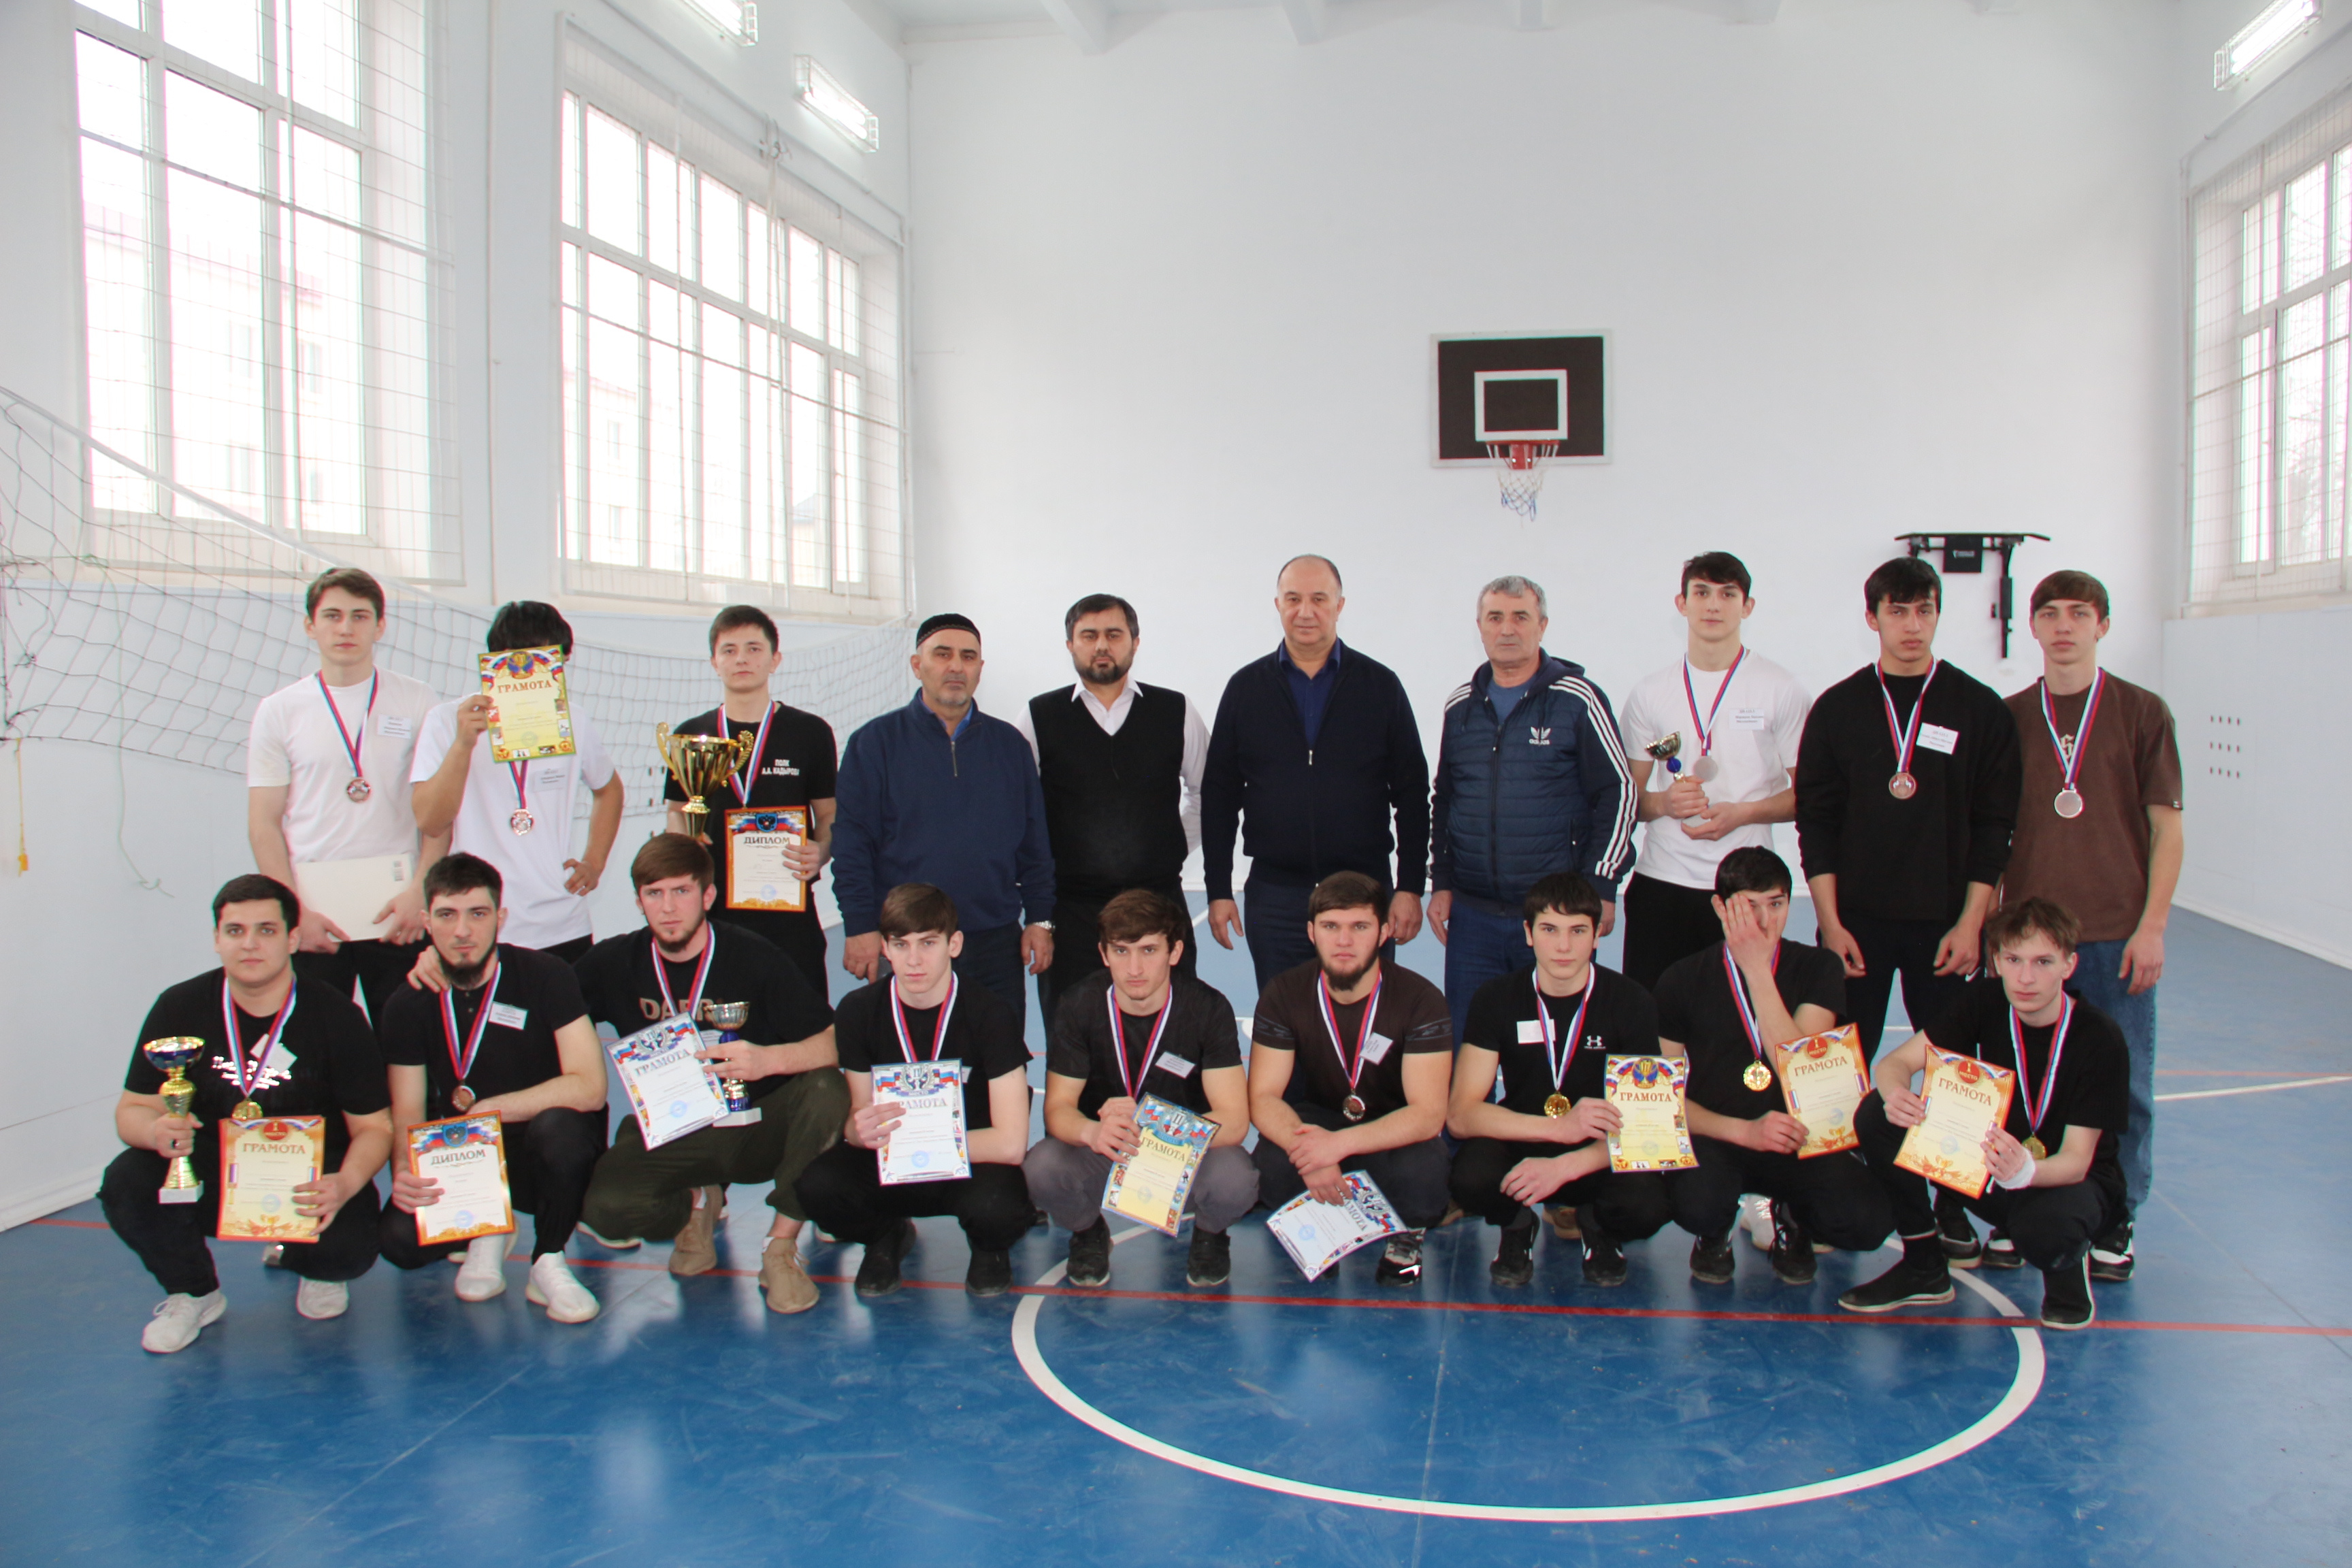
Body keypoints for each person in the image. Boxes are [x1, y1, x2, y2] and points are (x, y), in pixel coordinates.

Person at [1794, 556, 2023, 1261]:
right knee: (1840, 1065)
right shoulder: (1838, 708)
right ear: (1873, 618)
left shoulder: (1978, 708)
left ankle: (1950, 1202)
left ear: (1937, 616)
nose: (1912, 624)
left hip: (1945, 928)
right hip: (1856, 926)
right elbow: (1816, 823)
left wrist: (1973, 922)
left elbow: (1995, 828)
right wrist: (1831, 923)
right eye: (1897, 610)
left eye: (1924, 609)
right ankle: (1836, 1195)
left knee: (1953, 1066)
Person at [100, 875, 392, 1353]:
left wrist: (345, 1184)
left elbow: (375, 1128)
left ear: (293, 939)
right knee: (127, 1181)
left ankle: (313, 1265)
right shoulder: (179, 1007)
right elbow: (131, 1111)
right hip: (214, 1172)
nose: (250, 944)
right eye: (235, 931)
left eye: (266, 930)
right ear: (217, 939)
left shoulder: (337, 1015)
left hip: (310, 1179)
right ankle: (195, 1293)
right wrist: (155, 1131)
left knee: (349, 1248)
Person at [572, 834, 847, 1316]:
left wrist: (767, 1061)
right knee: (606, 1210)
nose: (668, 908)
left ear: (708, 895)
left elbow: (834, 1042)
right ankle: (698, 1202)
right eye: (654, 894)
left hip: (757, 1126)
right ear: (639, 901)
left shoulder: (753, 956)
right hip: (676, 1128)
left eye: (681, 891)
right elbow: (544, 999)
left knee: (828, 1088)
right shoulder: (614, 963)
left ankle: (780, 1248)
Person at [1997, 571, 2182, 1282]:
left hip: (2114, 936)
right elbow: (1993, 834)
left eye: (2080, 613)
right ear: (2034, 627)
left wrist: (2153, 926)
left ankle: (2117, 1216)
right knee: (2023, 1082)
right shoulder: (2011, 717)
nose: (2064, 626)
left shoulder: (2141, 712)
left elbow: (2168, 831)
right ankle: (2014, 1200)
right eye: (2050, 613)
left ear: (2103, 625)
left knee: (2124, 1084)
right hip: (2030, 944)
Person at [1839, 898, 2128, 1332]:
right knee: (1878, 1115)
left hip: (2067, 1180)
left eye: (2043, 962)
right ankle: (1924, 1267)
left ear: (2069, 965)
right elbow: (1896, 1063)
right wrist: (1896, 1092)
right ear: (1997, 961)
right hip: (1994, 1161)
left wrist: (2025, 1171)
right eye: (2013, 960)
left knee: (2047, 1232)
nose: (2025, 978)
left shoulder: (2098, 1037)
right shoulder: (1986, 1001)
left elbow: (2076, 1161)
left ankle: (2067, 1274)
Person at [375, 853, 608, 1324]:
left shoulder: (546, 975)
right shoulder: (407, 1003)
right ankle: (489, 1230)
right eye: (447, 915)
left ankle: (548, 1259)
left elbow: (590, 1087)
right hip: (463, 1158)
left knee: (561, 1128)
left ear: (500, 918)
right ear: (427, 922)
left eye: (477, 914)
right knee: (399, 1241)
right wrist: (403, 1170)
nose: (462, 931)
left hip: (542, 1152)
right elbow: (408, 1112)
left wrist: (491, 1110)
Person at [1654, 848, 1891, 1284]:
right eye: (1749, 906)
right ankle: (1714, 1231)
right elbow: (1662, 1099)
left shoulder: (1818, 967)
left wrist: (1757, 972)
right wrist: (1744, 1131)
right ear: (1720, 907)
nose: (1765, 922)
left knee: (1866, 1221)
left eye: (1776, 904)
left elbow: (1799, 1072)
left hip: (1799, 1137)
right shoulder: (1681, 979)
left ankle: (1793, 1218)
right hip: (1719, 1137)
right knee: (1693, 1202)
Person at [796, 884, 1035, 1298]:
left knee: (1001, 1207)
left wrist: (929, 1142)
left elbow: (1012, 1145)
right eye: (901, 944)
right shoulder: (858, 1011)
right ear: (885, 949)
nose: (914, 960)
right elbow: (857, 1119)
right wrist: (858, 1131)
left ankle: (988, 1249)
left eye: (928, 943)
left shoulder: (991, 1013)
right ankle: (885, 1235)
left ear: (954, 944)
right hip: (893, 1161)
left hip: (970, 1161)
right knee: (817, 1188)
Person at [1203, 555, 1431, 987]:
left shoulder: (1380, 686)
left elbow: (1412, 794)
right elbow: (1219, 797)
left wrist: (1410, 886)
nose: (1305, 611)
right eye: (1293, 599)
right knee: (1284, 1018)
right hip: (1275, 897)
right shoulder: (1245, 689)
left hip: (1363, 892)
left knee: (1364, 1016)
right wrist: (1218, 889)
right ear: (1277, 605)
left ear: (1340, 606)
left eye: (1319, 599)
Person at [1428, 574, 1635, 1043]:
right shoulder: (1460, 707)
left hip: (1555, 914)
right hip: (1473, 918)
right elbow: (1446, 800)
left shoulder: (1578, 699)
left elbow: (1619, 791)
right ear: (1480, 627)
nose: (1507, 629)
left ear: (1542, 626)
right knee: (1467, 1044)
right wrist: (1440, 882)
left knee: (1556, 1048)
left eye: (1520, 617)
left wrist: (1601, 883)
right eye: (1495, 617)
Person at [1448, 873, 1675, 1289]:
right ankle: (1517, 1226)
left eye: (1578, 931)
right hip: (1525, 1135)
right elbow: (1461, 1116)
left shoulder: (1633, 1001)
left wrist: (1565, 1165)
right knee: (1469, 1178)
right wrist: (1557, 1130)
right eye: (1550, 930)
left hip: (1600, 1148)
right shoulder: (1495, 997)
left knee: (1647, 1205)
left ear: (1597, 934)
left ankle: (1598, 1225)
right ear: (1528, 934)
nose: (1564, 946)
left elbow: (1651, 1128)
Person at [832, 614, 1056, 1030]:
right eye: (943, 654)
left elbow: (1034, 845)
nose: (956, 666)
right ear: (917, 666)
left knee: (999, 1059)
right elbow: (852, 846)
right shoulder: (874, 743)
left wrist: (1040, 919)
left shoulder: (1010, 746)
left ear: (980, 669)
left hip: (994, 942)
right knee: (912, 1059)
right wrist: (860, 925)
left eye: (968, 657)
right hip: (908, 943)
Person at [1025, 889, 1255, 1289]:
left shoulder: (1207, 1008)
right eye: (1121, 951)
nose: (1134, 968)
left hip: (1182, 1153)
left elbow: (1234, 1122)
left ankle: (1210, 1234)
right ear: (1103, 954)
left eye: (1149, 950)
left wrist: (1156, 1129)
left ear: (1175, 952)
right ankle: (1088, 1231)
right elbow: (1058, 1108)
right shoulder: (1079, 1005)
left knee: (1236, 1179)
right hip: (1108, 1149)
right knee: (1042, 1168)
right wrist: (1092, 1132)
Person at [247, 568, 442, 1018]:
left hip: (399, 912)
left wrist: (421, 891)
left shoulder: (417, 700)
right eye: (332, 616)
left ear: (380, 625)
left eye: (360, 616)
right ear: (310, 625)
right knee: (320, 1040)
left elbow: (438, 813)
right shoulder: (279, 711)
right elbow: (263, 823)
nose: (345, 628)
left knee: (407, 1036)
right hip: (315, 916)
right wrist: (293, 910)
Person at [1618, 553, 1812, 992]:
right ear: (1682, 603)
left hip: (1746, 888)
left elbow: (1809, 796)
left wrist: (1744, 813)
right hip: (1662, 882)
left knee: (1739, 1021)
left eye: (1728, 594)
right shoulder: (1650, 693)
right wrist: (1665, 803)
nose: (1713, 605)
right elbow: (1626, 800)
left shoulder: (1781, 688)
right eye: (1702, 592)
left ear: (1747, 607)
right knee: (1653, 1019)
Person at [1247, 871, 1453, 1284]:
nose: (1344, 941)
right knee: (1270, 1165)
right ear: (1311, 932)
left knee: (1426, 1171)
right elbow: (1263, 1097)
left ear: (1384, 932)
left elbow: (1428, 1115)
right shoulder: (1284, 992)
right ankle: (1323, 1228)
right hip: (1319, 1122)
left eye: (1359, 927)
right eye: (1331, 927)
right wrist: (1309, 1153)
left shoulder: (1421, 999)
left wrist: (1335, 1148)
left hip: (1389, 1130)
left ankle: (1407, 1233)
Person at [1016, 593, 1209, 1022]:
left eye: (1114, 634)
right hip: (1072, 914)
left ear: (1135, 642)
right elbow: (1020, 815)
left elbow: (1206, 794)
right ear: (1070, 644)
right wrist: (1039, 914)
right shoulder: (1038, 716)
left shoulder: (1175, 710)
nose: (1101, 645)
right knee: (1073, 1035)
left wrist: (1169, 845)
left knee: (1171, 1034)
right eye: (1089, 635)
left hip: (1159, 906)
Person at [409, 602, 623, 965]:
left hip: (561, 921)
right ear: (496, 661)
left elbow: (609, 789)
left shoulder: (573, 720)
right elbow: (430, 820)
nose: (533, 675)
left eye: (549, 662)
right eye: (521, 661)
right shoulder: (447, 721)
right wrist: (463, 745)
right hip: (479, 922)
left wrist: (595, 862)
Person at [662, 604, 840, 997]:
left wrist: (823, 850)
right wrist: (684, 840)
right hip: (714, 910)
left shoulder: (810, 732)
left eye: (753, 648)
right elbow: (676, 810)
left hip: (790, 910)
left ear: (775, 659)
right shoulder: (692, 736)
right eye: (729, 650)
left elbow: (828, 813)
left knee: (802, 1018)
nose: (741, 659)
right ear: (714, 662)